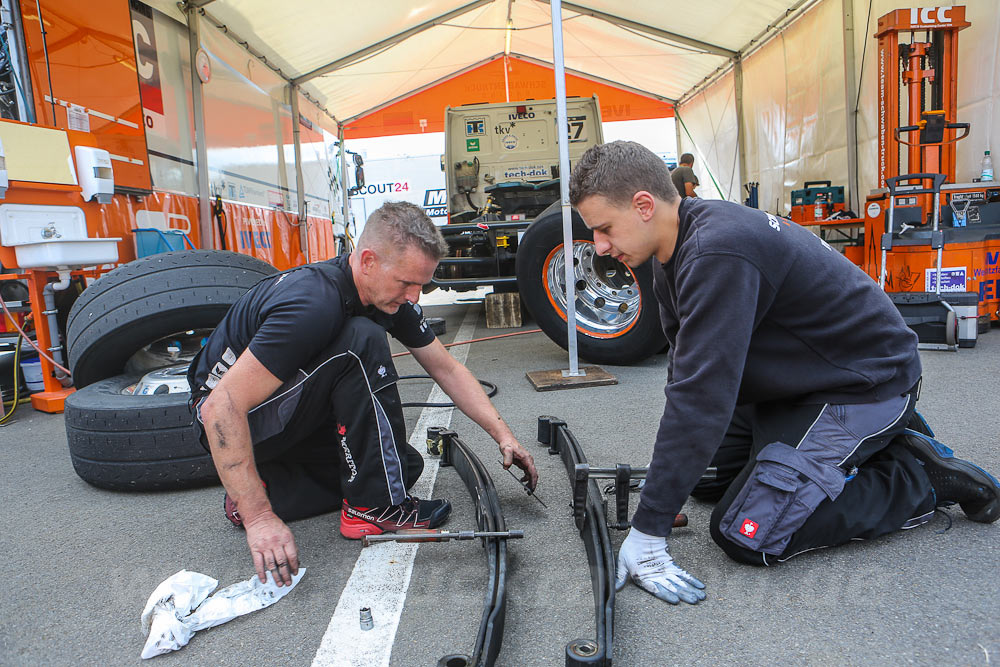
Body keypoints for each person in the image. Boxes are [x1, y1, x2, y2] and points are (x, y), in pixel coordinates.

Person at [568, 141, 1000, 605]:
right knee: (705, 480)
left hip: (864, 386)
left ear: (644, 205)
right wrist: (665, 491)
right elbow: (688, 376)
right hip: (798, 384)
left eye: (604, 229)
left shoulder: (718, 252)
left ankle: (921, 478)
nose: (601, 246)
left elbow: (703, 399)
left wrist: (649, 532)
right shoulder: (670, 250)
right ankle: (849, 454)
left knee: (746, 532)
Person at [187, 201, 538, 587]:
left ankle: (273, 487)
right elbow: (220, 407)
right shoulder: (313, 304)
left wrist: (504, 436)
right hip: (236, 420)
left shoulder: (385, 294)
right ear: (368, 260)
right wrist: (260, 520)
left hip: (269, 415)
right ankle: (370, 509)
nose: (415, 297)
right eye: (407, 283)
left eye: (422, 285)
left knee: (402, 467)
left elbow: (447, 368)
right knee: (361, 341)